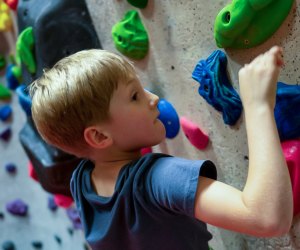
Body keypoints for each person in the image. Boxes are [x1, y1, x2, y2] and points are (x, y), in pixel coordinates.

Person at [29, 46, 293, 250]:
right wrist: (258, 105)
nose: (153, 99)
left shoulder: (82, 181)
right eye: (134, 96)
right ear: (98, 136)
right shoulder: (159, 178)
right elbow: (266, 217)